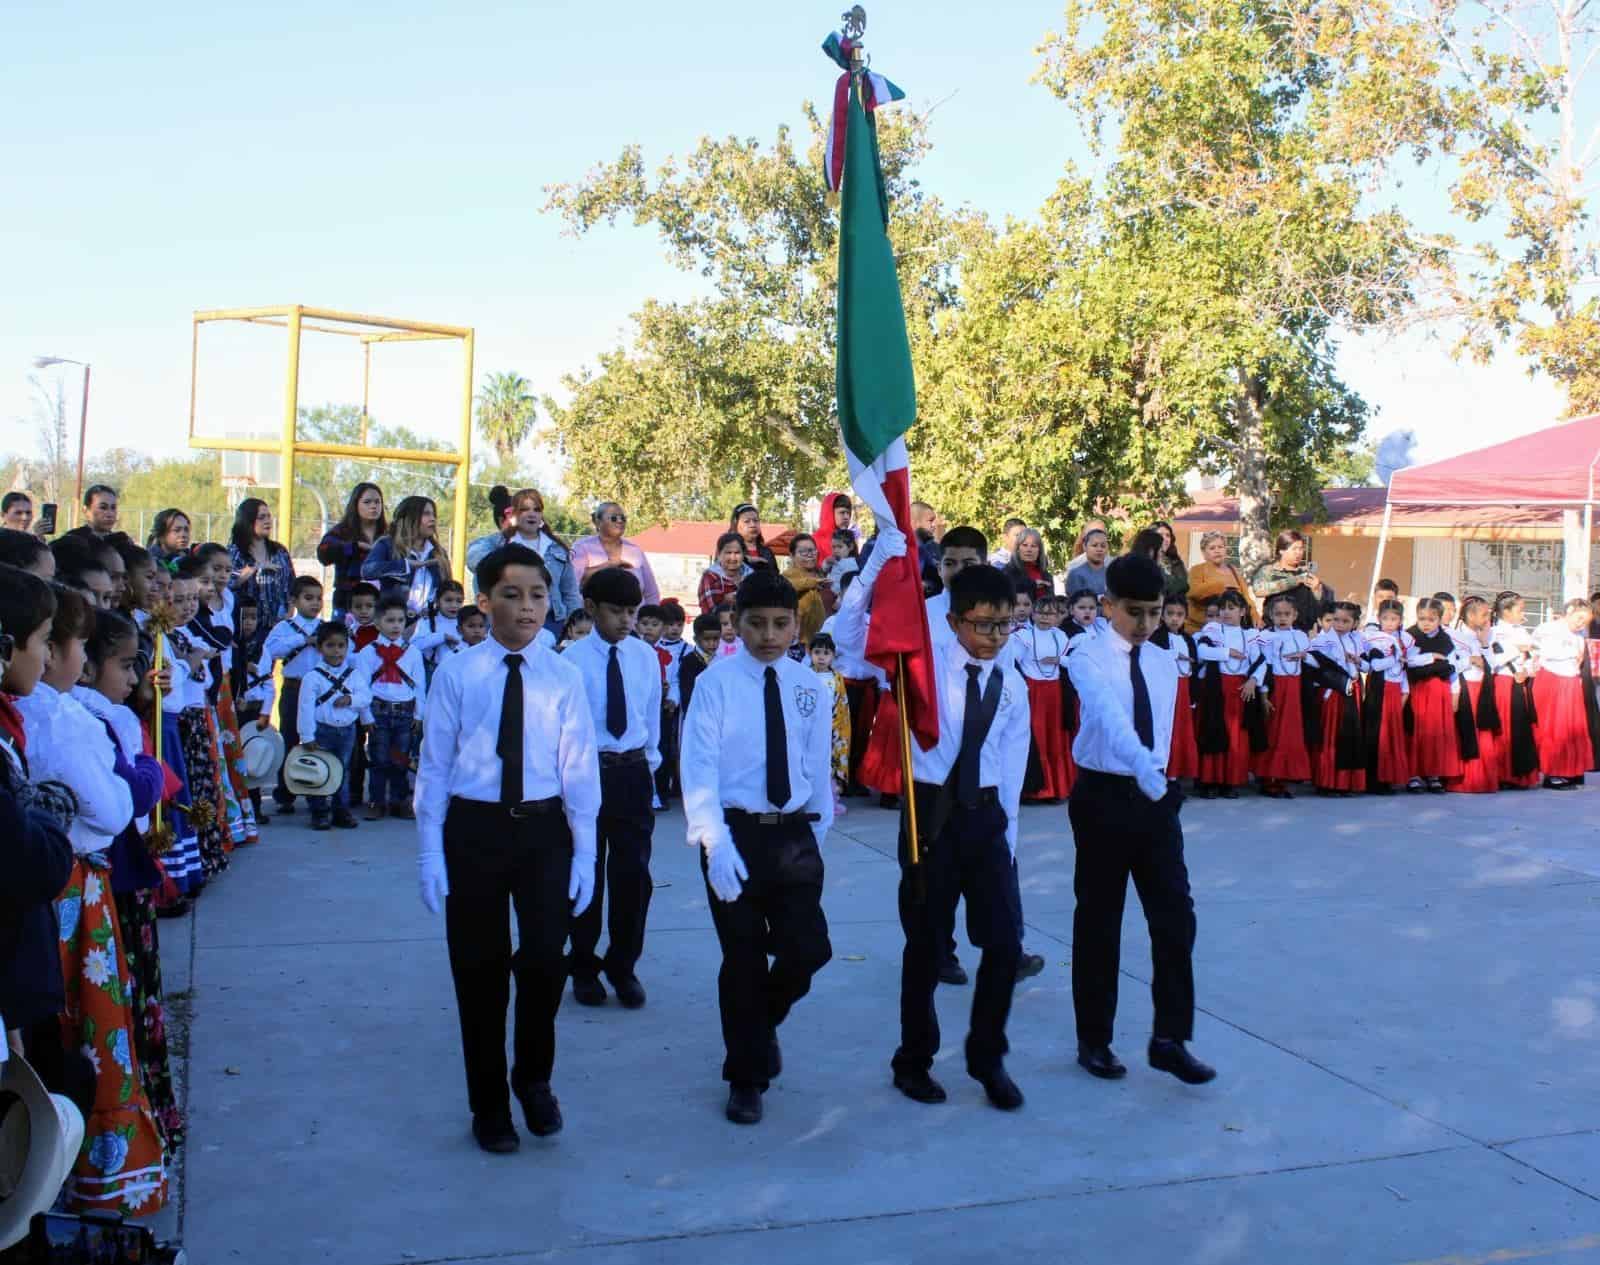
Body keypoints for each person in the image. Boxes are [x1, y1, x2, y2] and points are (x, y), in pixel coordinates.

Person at [414, 544, 599, 1153]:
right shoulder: (458, 672)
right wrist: (430, 852)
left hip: (543, 830)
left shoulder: (564, 676)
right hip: (475, 831)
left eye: (538, 595)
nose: (527, 608)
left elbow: (578, 769)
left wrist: (583, 851)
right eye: (512, 595)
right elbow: (436, 766)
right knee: (479, 972)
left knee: (546, 962)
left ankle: (533, 1077)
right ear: (486, 600)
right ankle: (488, 1104)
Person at [838, 536, 1032, 1110]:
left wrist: (1011, 837)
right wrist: (875, 565)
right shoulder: (915, 663)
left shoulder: (1011, 679)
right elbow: (848, 639)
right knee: (924, 946)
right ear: (952, 620)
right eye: (982, 626)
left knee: (1004, 943)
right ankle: (914, 1058)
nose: (995, 637)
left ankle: (987, 1054)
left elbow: (1012, 763)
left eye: (1005, 626)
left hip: (988, 819)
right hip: (931, 816)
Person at [679, 570, 834, 1124]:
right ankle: (746, 1075)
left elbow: (815, 761)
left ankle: (760, 1024)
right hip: (733, 835)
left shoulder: (808, 685)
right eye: (757, 623)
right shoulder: (716, 684)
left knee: (809, 950)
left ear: (796, 625)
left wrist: (818, 830)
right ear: (736, 625)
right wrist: (711, 838)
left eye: (781, 623)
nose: (769, 634)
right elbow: (697, 764)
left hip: (793, 832)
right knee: (742, 958)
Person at [1068, 552, 1215, 1087]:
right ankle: (1094, 1039)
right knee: (1101, 921)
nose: (1148, 623)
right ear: (1107, 605)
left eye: (1156, 612)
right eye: (1136, 612)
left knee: (1176, 917)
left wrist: (1160, 785)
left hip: (1155, 797)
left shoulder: (1163, 658)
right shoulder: (1084, 654)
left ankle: (1169, 1038)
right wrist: (1148, 775)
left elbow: (1163, 732)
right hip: (1105, 795)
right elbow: (1108, 718)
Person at [562, 567, 662, 1009]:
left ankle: (623, 965)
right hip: (587, 773)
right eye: (616, 611)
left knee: (633, 876)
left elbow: (651, 720)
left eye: (632, 611)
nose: (626, 620)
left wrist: (650, 770)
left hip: (633, 773)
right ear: (590, 609)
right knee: (587, 873)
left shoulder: (643, 658)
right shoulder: (570, 662)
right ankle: (583, 965)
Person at [257, 574, 325, 814]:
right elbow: (270, 650)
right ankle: (285, 793)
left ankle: (316, 791)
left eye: (319, 598)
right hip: (294, 688)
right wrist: (302, 640)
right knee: (290, 738)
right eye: (308, 598)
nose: (315, 603)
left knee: (315, 739)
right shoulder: (284, 627)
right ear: (294, 601)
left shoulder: (326, 628)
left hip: (320, 691)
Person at [464, 487, 581, 628]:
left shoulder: (557, 548)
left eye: (537, 509)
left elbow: (570, 593)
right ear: (514, 514)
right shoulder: (497, 543)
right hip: (507, 622)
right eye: (524, 509)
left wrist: (573, 627)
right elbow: (474, 560)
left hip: (552, 624)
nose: (531, 514)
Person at [354, 595, 426, 821]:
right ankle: (376, 801)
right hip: (378, 711)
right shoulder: (367, 653)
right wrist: (365, 715)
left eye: (400, 621)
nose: (396, 626)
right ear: (377, 623)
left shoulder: (413, 652)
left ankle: (399, 801)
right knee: (379, 759)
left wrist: (419, 713)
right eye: (390, 621)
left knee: (400, 759)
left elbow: (420, 684)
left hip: (405, 712)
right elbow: (361, 686)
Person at [297, 620, 370, 830]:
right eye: (330, 645)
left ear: (348, 647)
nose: (336, 651)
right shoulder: (312, 678)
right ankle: (319, 812)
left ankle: (341, 811)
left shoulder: (354, 675)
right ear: (320, 648)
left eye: (341, 646)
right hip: (322, 730)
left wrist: (351, 700)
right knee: (318, 770)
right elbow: (305, 708)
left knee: (342, 771)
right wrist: (307, 735)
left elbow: (366, 696)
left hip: (347, 731)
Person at [1192, 590, 1263, 799]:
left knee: (1236, 735)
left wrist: (1253, 680)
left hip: (1240, 689)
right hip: (1216, 688)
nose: (1225, 612)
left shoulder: (1250, 635)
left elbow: (1260, 662)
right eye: (1223, 608)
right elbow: (1202, 651)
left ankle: (1230, 781)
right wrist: (1227, 653)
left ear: (1242, 611)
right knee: (1213, 730)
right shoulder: (1213, 629)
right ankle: (1209, 780)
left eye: (1231, 608)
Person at [1248, 594, 1314, 797]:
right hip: (1277, 686)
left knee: (1291, 733)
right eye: (1278, 614)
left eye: (1287, 614)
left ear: (1295, 615)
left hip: (1295, 688)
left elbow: (1314, 660)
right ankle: (1269, 778)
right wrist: (1264, 694)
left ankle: (1284, 777)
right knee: (1274, 731)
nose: (1282, 618)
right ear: (1270, 615)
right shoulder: (1266, 637)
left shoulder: (1302, 637)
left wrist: (1305, 656)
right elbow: (1265, 665)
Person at [1531, 598, 1599, 788]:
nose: (1580, 624)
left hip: (1570, 682)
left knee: (1570, 729)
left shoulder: (1578, 635)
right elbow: (1544, 650)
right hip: (1553, 680)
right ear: (1569, 611)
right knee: (1553, 728)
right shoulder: (1549, 628)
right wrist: (1570, 654)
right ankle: (1551, 772)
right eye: (1579, 618)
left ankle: (1567, 770)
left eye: (1584, 622)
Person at [1015, 586, 1074, 802]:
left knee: (1054, 737)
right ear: (1033, 614)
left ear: (1057, 616)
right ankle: (1035, 789)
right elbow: (1014, 660)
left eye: (1050, 614)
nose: (1045, 618)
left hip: (1054, 691)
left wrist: (1060, 660)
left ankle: (1056, 787)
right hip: (1034, 691)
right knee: (1037, 736)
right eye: (1040, 613)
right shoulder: (1023, 636)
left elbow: (1074, 661)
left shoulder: (1061, 636)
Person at [1307, 601, 1368, 796]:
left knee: (1349, 736)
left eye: (1345, 621)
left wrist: (1359, 661)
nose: (1340, 624)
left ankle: (1346, 782)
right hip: (1333, 693)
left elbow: (1368, 666)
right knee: (1331, 736)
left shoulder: (1358, 640)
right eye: (1336, 620)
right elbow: (1316, 667)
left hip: (1353, 691)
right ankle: (1327, 782)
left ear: (1355, 622)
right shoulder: (1321, 641)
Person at [1405, 598, 1465, 791]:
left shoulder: (1446, 640)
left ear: (1440, 619)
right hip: (1418, 690)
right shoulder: (1410, 636)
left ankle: (1434, 773)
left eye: (1431, 619)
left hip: (1440, 691)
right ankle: (1413, 773)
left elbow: (1453, 667)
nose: (1426, 623)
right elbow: (1408, 661)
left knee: (1436, 733)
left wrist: (1455, 695)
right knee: (1416, 731)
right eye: (1422, 618)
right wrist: (1430, 658)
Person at [227, 497, 295, 655]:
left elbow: (292, 584)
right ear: (248, 520)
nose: (267, 521)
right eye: (261, 517)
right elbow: (228, 583)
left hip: (275, 625)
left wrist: (289, 611)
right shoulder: (235, 552)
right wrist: (254, 570)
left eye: (269, 516)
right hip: (246, 627)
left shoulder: (279, 551)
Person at [362, 495, 450, 614]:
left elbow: (447, 590)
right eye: (426, 514)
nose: (432, 519)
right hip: (396, 624)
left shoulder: (438, 552)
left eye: (433, 514)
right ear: (408, 518)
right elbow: (367, 570)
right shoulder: (387, 545)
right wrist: (405, 565)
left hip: (429, 624)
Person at [1449, 596, 1502, 794]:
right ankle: (1464, 779)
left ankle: (1483, 779)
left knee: (1483, 731)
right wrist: (1470, 659)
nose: (1487, 618)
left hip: (1483, 686)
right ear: (1470, 615)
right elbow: (1450, 662)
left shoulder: (1486, 635)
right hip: (1465, 686)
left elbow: (1493, 663)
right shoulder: (1455, 635)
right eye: (1483, 614)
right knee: (1466, 730)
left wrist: (1485, 644)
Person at [1362, 599, 1415, 794]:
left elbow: (1404, 668)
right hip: (1380, 689)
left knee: (1392, 735)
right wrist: (1394, 658)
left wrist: (1405, 691)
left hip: (1395, 691)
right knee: (1379, 734)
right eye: (1385, 618)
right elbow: (1375, 666)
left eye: (1394, 619)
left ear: (1401, 620)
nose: (1389, 623)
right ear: (1379, 619)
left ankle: (1389, 777)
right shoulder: (1374, 638)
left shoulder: (1405, 640)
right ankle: (1375, 779)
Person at [1488, 592, 1540, 789]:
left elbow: (1534, 655)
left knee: (1520, 727)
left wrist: (1526, 670)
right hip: (1502, 681)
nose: (1523, 614)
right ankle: (1503, 774)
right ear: (1506, 611)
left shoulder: (1522, 631)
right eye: (1520, 610)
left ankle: (1520, 775)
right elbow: (1493, 660)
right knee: (1504, 728)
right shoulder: (1494, 632)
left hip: (1520, 681)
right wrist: (1516, 649)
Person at [569, 502, 662, 606]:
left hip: (635, 620)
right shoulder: (582, 547)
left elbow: (651, 593)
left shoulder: (634, 550)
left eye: (623, 518)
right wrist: (609, 565)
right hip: (595, 619)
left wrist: (651, 616)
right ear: (597, 521)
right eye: (614, 518)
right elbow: (570, 585)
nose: (620, 521)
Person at [316, 482, 387, 615]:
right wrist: (354, 547)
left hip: (382, 605)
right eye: (367, 502)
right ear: (356, 505)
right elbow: (323, 553)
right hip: (347, 604)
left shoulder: (389, 533)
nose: (373, 506)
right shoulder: (342, 531)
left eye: (377, 502)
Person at [1152, 596, 1201, 785]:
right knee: (1166, 731)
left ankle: (1175, 775)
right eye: (1170, 614)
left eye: (1179, 614)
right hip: (1167, 691)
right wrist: (1173, 655)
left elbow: (1194, 668)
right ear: (1162, 616)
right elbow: (1153, 659)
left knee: (1182, 732)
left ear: (1186, 617)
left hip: (1184, 688)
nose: (1175, 618)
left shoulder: (1189, 639)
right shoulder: (1157, 638)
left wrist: (1193, 695)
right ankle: (1164, 773)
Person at [1248, 530, 1330, 632]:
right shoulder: (1269, 570)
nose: (1299, 553)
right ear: (1281, 550)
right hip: (1272, 630)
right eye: (1294, 549)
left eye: (1301, 549)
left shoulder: (1305, 573)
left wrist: (1316, 590)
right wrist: (1295, 581)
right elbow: (1259, 590)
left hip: (1299, 632)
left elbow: (1319, 606)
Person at [1186, 531, 1258, 632]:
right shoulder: (1197, 570)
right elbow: (1193, 593)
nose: (1217, 551)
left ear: (1225, 549)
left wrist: (1254, 613)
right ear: (1203, 552)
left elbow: (1246, 597)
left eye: (1220, 547)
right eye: (1212, 548)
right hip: (1201, 628)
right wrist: (1221, 587)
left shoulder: (1234, 571)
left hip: (1231, 629)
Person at [782, 532, 834, 648]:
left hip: (825, 644)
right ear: (792, 555)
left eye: (812, 550)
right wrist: (813, 582)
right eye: (803, 552)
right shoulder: (788, 575)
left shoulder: (822, 574)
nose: (810, 555)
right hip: (800, 644)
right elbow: (788, 586)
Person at [698, 532, 750, 615]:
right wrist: (724, 601)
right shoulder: (710, 577)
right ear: (719, 554)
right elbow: (709, 613)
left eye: (737, 553)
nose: (733, 558)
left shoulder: (751, 576)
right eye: (728, 553)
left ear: (744, 554)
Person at [1003, 529, 1055, 602]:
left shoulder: (1046, 575)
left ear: (1039, 550)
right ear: (1017, 548)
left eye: (1033, 546)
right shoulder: (1008, 571)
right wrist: (1033, 585)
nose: (1029, 549)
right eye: (1024, 545)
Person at [1148, 522, 1189, 601]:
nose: (1165, 539)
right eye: (1160, 535)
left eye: (1168, 535)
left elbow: (1184, 586)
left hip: (1175, 608)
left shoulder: (1176, 561)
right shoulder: (1145, 561)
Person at [1066, 529, 1111, 599]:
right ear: (1084, 546)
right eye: (1094, 545)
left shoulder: (1113, 574)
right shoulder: (1076, 574)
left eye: (1103, 546)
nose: (1099, 549)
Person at [146, 508, 192, 574]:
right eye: (177, 530)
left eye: (186, 530)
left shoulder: (190, 559)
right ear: (161, 534)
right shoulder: (150, 562)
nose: (183, 534)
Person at [824, 527, 861, 597]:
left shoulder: (851, 564)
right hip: (830, 592)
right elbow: (825, 570)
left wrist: (839, 599)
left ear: (850, 547)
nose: (836, 550)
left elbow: (848, 586)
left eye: (840, 547)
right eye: (834, 547)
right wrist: (827, 563)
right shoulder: (836, 560)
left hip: (838, 597)